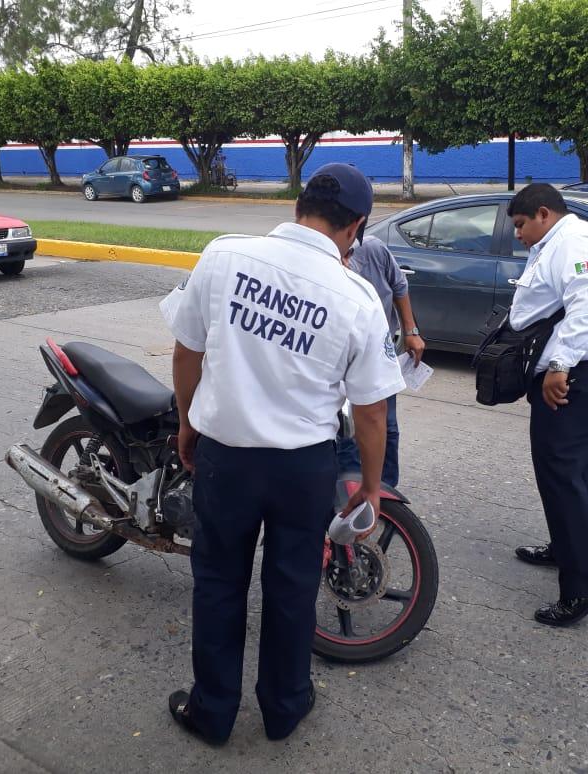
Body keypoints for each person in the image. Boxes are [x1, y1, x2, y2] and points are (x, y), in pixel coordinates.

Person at [159, 163, 405, 745]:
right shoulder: (357, 296)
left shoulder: (225, 256)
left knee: (218, 583)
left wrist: (188, 423)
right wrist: (370, 487)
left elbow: (186, 352)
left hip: (227, 457)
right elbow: (373, 410)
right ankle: (285, 707)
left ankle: (212, 712)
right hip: (303, 468)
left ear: (299, 206)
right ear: (358, 228)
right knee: (292, 589)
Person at [507, 184, 588, 627]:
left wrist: (559, 364)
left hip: (582, 373)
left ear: (543, 213)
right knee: (574, 469)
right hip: (587, 370)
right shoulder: (558, 241)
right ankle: (566, 548)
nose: (518, 235)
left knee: (561, 471)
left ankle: (585, 586)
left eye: (521, 225)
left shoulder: (574, 241)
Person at [335, 235, 425, 487]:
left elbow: (399, 285)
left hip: (380, 348)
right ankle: (349, 489)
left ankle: (386, 489)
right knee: (347, 427)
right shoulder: (319, 258)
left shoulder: (373, 249)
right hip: (341, 352)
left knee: (387, 423)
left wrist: (411, 331)